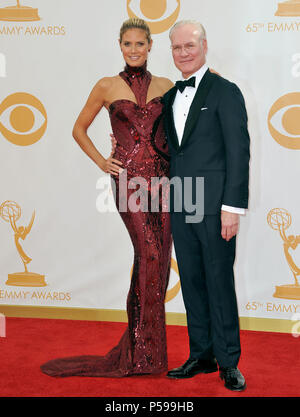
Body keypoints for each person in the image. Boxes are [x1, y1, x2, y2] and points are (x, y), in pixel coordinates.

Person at [40, 18, 174, 377]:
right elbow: (77, 128)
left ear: (150, 46)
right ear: (120, 46)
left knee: (160, 262)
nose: (134, 50)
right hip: (128, 181)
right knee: (148, 253)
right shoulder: (106, 85)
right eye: (128, 44)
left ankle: (148, 351)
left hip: (164, 184)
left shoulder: (168, 86)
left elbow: (177, 135)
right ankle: (139, 350)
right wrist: (103, 161)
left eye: (140, 44)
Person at [163, 20, 250, 391]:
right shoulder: (168, 98)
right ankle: (201, 354)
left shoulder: (225, 91)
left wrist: (233, 206)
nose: (183, 53)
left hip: (215, 206)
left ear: (204, 46)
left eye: (189, 46)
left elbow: (239, 152)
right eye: (177, 47)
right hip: (182, 202)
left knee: (218, 279)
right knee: (193, 281)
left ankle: (229, 361)